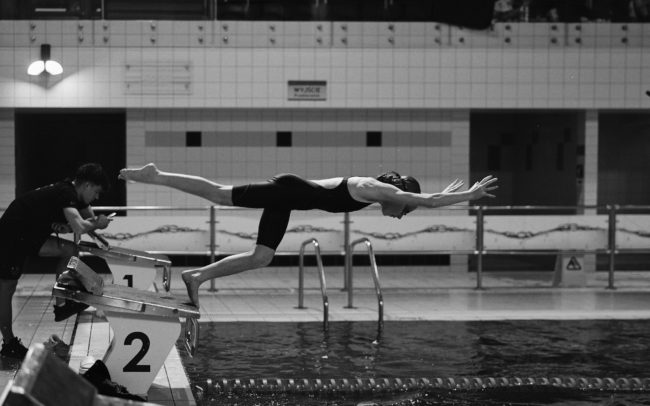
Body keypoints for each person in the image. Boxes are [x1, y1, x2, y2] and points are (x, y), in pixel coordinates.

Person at [119, 163, 498, 306]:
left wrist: (446, 195)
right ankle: (156, 175)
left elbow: (426, 199)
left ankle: (197, 276)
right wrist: (466, 196)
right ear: (399, 194)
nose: (401, 215)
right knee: (220, 195)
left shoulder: (375, 193)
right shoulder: (374, 188)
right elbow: (426, 201)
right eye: (405, 209)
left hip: (289, 199)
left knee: (262, 257)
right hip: (288, 191)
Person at [0, 163, 112, 359]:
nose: (96, 197)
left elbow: (89, 222)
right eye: (96, 192)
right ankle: (9, 343)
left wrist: (103, 241)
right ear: (86, 185)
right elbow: (81, 226)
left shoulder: (76, 196)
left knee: (70, 250)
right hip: (12, 235)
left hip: (31, 235)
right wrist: (96, 224)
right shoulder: (66, 192)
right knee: (6, 288)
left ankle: (62, 304)